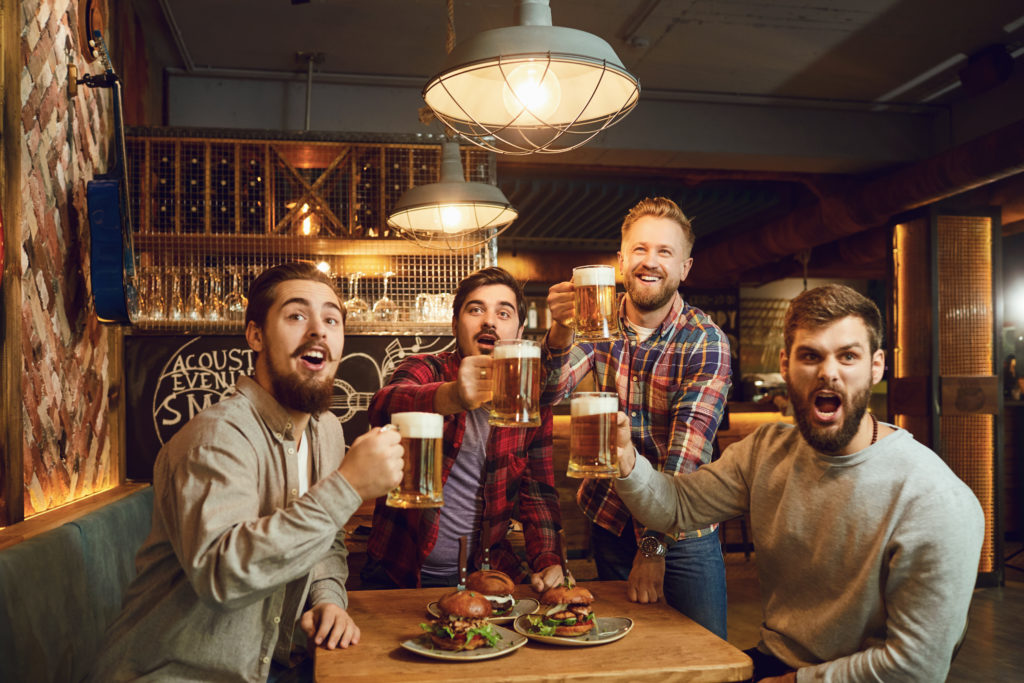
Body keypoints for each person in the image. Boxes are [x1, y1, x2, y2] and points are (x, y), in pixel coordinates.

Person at [613, 284, 985, 682]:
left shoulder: (935, 499)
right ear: (786, 364)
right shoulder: (767, 449)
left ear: (876, 367)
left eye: (848, 356)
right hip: (774, 660)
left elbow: (916, 667)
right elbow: (676, 507)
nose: (828, 372)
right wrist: (623, 458)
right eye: (811, 356)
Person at [90, 262, 405, 682]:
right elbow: (224, 577)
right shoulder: (217, 436)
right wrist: (347, 487)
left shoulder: (326, 430)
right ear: (255, 335)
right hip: (175, 672)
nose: (318, 331)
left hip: (272, 666)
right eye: (297, 315)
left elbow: (326, 541)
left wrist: (328, 599)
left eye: (331, 319)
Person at [542, 196, 731, 638]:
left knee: (700, 656)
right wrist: (559, 331)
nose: (651, 261)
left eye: (665, 252)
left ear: (685, 267)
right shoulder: (597, 321)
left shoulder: (705, 340)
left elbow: (686, 462)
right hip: (610, 516)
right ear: (622, 260)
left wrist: (652, 547)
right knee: (625, 656)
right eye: (641, 250)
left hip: (684, 532)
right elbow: (548, 394)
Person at [361, 266, 564, 592]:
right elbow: (383, 406)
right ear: (456, 324)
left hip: (487, 574)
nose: (489, 321)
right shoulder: (426, 368)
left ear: (520, 330)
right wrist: (451, 395)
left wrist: (548, 559)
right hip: (400, 571)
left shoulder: (531, 400)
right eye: (476, 309)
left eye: (503, 312)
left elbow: (537, 492)